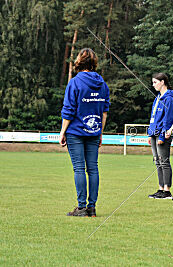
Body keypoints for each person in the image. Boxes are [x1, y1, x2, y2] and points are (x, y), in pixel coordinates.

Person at [59, 48, 110, 217]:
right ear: (94, 63)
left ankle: (81, 208)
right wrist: (100, 132)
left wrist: (62, 132)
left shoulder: (74, 82)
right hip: (94, 131)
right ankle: (92, 207)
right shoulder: (103, 84)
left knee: (79, 169)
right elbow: (104, 111)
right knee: (93, 169)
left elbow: (68, 110)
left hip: (75, 132)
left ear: (79, 62)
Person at [147, 73, 173, 199]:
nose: (153, 85)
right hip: (154, 133)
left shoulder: (169, 98)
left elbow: (168, 119)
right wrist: (150, 133)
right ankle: (160, 188)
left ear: (162, 82)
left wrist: (163, 136)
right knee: (157, 161)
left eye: (155, 82)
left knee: (164, 161)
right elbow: (153, 117)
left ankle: (167, 190)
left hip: (162, 134)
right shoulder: (158, 97)